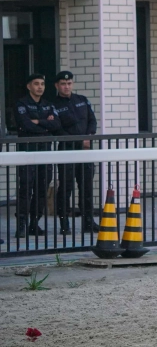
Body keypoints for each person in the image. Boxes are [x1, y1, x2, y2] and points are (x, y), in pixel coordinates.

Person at [50, 70, 99, 234]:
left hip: (85, 150)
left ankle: (88, 221)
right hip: (67, 150)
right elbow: (57, 129)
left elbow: (92, 121)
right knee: (66, 187)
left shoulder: (82, 100)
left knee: (86, 187)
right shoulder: (53, 104)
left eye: (69, 83)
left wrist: (89, 136)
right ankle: (64, 224)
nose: (66, 86)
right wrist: (80, 140)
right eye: (63, 84)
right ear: (57, 86)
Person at [14, 73, 60, 237]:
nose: (40, 87)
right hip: (27, 151)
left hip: (45, 152)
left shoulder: (48, 105)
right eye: (36, 84)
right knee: (26, 189)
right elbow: (25, 125)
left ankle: (35, 224)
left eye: (42, 84)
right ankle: (21, 225)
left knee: (41, 189)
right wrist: (46, 124)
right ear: (29, 86)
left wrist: (39, 121)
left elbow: (56, 124)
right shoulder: (22, 104)